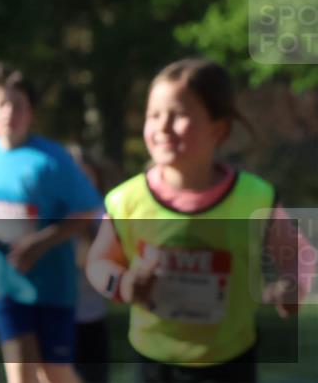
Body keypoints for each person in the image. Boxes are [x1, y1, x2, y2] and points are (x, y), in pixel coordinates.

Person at [85, 58, 315, 383]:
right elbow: (98, 263)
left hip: (229, 362)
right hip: (155, 361)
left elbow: (298, 254)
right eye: (153, 115)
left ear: (217, 128)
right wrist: (120, 283)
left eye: (177, 115)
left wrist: (293, 287)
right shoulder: (126, 200)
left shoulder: (254, 198)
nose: (162, 127)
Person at [0, 63, 101, 383]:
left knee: (53, 373)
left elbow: (87, 210)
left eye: (19, 105)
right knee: (19, 374)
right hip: (3, 285)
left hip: (52, 287)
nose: (10, 112)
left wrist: (40, 244)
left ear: (32, 114)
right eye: (2, 104)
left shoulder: (52, 159)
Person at [65, 146, 109, 383]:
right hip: (53, 315)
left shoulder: (103, 214)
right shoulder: (51, 214)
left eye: (85, 177)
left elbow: (89, 261)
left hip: (91, 317)